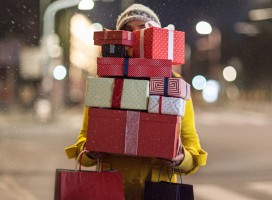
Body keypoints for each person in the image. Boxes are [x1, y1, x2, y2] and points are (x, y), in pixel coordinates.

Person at [65, 4, 207, 200]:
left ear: (156, 36)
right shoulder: (105, 82)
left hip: (158, 191)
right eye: (127, 31)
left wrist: (181, 158)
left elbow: (191, 146)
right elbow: (84, 140)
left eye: (142, 29)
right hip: (109, 189)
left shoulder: (175, 85)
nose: (134, 38)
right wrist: (90, 152)